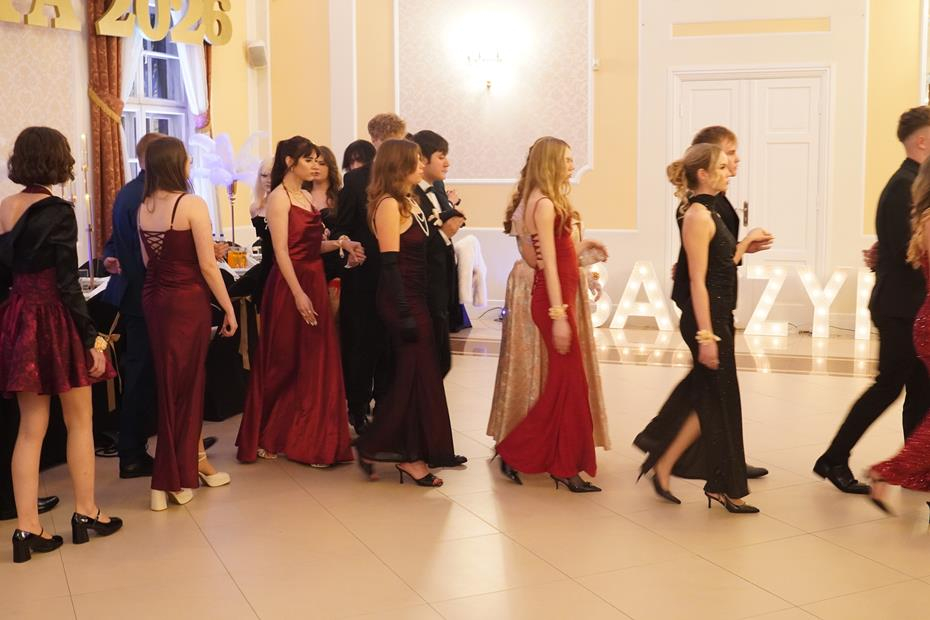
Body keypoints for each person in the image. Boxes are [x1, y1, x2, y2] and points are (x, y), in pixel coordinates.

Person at [0, 127, 122, 562]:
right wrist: (92, 339)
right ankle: (86, 512)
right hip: (54, 319)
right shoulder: (59, 211)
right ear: (57, 160)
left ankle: (26, 527)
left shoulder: (5, 207)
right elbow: (68, 283)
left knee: (29, 429)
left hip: (19, 317)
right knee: (80, 420)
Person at [634, 126, 773, 481]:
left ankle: (678, 457)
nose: (734, 162)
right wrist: (707, 333)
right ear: (705, 168)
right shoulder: (699, 209)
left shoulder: (713, 203)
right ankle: (675, 454)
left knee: (708, 390)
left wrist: (743, 248)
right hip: (705, 307)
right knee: (709, 391)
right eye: (728, 156)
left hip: (715, 303)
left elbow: (717, 256)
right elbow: (703, 267)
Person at [814, 106, 930, 494]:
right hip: (900, 308)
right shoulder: (904, 186)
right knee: (889, 386)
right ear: (922, 141)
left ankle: (915, 470)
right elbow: (908, 252)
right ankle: (834, 458)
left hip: (910, 305)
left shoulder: (912, 184)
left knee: (920, 390)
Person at [488, 144, 611, 483]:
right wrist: (559, 316)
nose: (572, 165)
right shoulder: (542, 204)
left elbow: (558, 252)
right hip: (553, 301)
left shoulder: (548, 201)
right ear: (551, 163)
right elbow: (548, 266)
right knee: (568, 384)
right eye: (567, 159)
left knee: (566, 385)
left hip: (561, 298)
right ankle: (544, 458)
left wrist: (584, 247)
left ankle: (552, 458)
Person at [236, 137, 362, 466]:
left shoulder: (305, 196)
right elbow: (281, 252)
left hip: (313, 279)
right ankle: (266, 433)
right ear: (290, 162)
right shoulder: (278, 198)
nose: (315, 165)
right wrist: (297, 293)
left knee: (315, 362)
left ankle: (311, 438)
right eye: (309, 159)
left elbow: (312, 246)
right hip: (289, 285)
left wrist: (341, 244)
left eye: (317, 160)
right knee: (283, 361)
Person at [137, 137, 237, 511]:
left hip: (155, 299)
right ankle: (170, 479)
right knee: (188, 388)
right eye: (187, 159)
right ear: (176, 164)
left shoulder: (145, 206)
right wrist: (228, 308)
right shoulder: (191, 203)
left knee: (169, 387)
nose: (190, 164)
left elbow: (148, 263)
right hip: (186, 301)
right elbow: (209, 266)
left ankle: (177, 474)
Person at [354, 139, 458, 486]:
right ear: (399, 165)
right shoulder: (387, 205)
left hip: (417, 297)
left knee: (417, 376)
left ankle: (395, 449)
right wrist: (404, 311)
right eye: (415, 160)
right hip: (401, 300)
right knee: (415, 375)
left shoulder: (408, 201)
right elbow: (389, 265)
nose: (421, 164)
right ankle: (402, 454)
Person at [332, 114, 408, 435]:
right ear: (376, 141)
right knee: (362, 344)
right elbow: (342, 226)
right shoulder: (355, 180)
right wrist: (350, 247)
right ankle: (358, 408)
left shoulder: (405, 179)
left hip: (397, 274)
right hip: (364, 275)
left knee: (391, 345)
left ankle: (385, 404)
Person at [101, 132, 163, 479]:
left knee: (144, 373)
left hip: (136, 295)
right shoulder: (145, 196)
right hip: (146, 297)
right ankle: (133, 453)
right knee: (143, 375)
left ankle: (151, 447)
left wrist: (109, 257)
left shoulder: (129, 191)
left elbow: (114, 242)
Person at [411, 130, 465, 378]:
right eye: (441, 157)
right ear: (422, 159)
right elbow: (420, 242)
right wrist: (445, 233)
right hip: (425, 283)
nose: (447, 163)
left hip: (441, 281)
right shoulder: (412, 195)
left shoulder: (437, 189)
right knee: (432, 359)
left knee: (442, 359)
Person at [250, 157, 273, 239]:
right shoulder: (255, 208)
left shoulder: (288, 205)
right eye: (264, 175)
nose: (269, 180)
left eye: (273, 175)